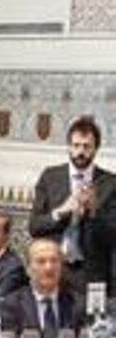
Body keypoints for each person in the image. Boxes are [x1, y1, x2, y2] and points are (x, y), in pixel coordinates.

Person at [29, 115, 115, 289]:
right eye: (76, 146)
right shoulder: (50, 177)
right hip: (51, 268)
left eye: (86, 146)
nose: (80, 152)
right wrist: (61, 211)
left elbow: (113, 237)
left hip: (91, 273)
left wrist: (93, 212)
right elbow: (34, 226)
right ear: (68, 146)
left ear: (95, 148)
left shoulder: (111, 183)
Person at [0, 238, 86, 338]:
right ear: (28, 269)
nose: (49, 267)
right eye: (41, 261)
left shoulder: (77, 303)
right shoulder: (12, 304)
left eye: (54, 261)